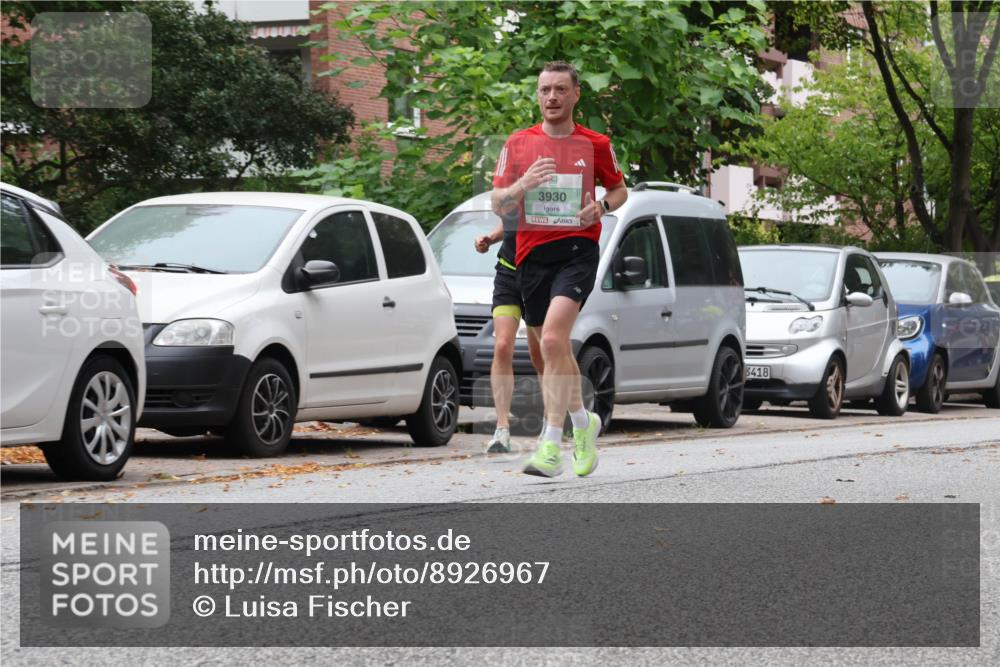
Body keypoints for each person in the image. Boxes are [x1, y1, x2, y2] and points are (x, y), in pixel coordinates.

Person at [490, 61, 627, 477]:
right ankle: (584, 423)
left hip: (577, 251)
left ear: (575, 94)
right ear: (538, 95)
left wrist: (600, 207)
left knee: (553, 339)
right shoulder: (518, 143)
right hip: (530, 257)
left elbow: (619, 190)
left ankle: (550, 445)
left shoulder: (596, 144)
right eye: (545, 90)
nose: (552, 97)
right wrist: (522, 185)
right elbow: (497, 203)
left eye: (560, 90)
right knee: (551, 350)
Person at [473, 223, 543, 453]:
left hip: (539, 274)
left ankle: (550, 425)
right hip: (508, 272)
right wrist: (490, 238)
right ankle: (501, 429)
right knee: (502, 346)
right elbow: (511, 219)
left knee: (539, 354)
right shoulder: (512, 199)